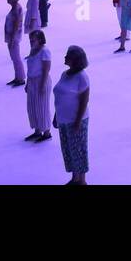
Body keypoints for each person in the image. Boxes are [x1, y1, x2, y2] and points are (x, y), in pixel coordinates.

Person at [53, 45, 91, 184]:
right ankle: (75, 179)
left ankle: (81, 181)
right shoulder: (65, 74)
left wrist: (77, 121)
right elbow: (59, 96)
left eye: (68, 56)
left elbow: (84, 101)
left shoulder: (82, 77)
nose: (65, 57)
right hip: (64, 119)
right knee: (69, 150)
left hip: (76, 121)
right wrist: (56, 116)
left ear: (75, 60)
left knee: (79, 151)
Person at [24, 30, 53, 143]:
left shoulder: (45, 51)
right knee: (33, 107)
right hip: (32, 81)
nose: (31, 42)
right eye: (30, 40)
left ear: (40, 40)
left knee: (42, 108)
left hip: (42, 81)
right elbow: (30, 68)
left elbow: (46, 69)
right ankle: (37, 130)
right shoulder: (33, 50)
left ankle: (46, 132)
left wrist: (42, 85)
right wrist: (28, 83)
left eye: (33, 40)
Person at [5, 0, 26, 86]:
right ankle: (17, 76)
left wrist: (12, 38)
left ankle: (20, 78)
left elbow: (16, 25)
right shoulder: (15, 7)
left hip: (14, 36)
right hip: (11, 36)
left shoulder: (17, 9)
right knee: (14, 57)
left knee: (16, 57)